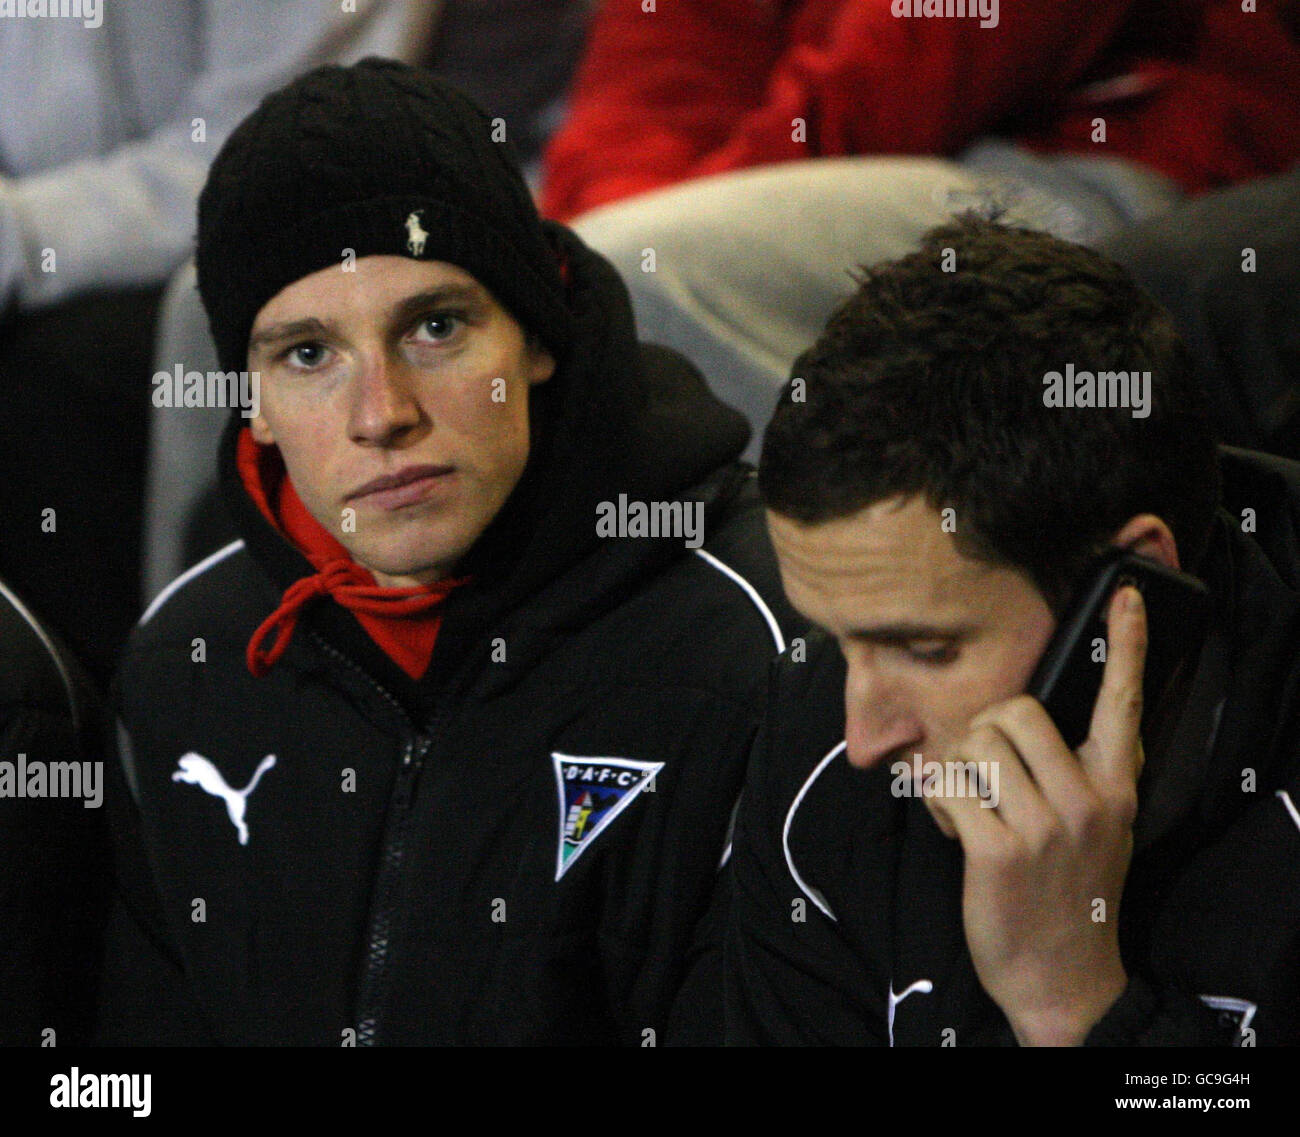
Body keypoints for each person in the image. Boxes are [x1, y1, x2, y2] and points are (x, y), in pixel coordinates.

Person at [97, 59, 794, 1046]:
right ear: (250, 403)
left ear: (537, 336)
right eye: (308, 355)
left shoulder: (756, 649)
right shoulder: (185, 663)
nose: (382, 415)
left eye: (434, 327)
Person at [727, 216, 1300, 1045]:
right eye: (834, 637)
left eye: (928, 650)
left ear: (1128, 592)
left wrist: (1071, 1004)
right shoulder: (822, 747)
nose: (863, 735)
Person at [541, 0, 1300, 454]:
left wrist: (634, 246)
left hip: (1084, 170)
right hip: (821, 172)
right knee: (583, 283)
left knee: (641, 284)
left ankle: (937, 601)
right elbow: (644, 86)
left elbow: (912, 74)